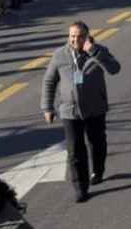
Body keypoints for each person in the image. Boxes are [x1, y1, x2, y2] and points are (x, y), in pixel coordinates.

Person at [40, 22, 122, 202]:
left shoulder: (98, 51)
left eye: (79, 36)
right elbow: (49, 81)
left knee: (97, 143)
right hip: (70, 110)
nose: (75, 40)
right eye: (72, 36)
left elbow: (115, 69)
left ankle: (98, 171)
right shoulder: (60, 55)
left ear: (87, 36)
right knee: (74, 151)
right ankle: (80, 187)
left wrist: (93, 51)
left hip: (95, 108)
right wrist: (47, 107)